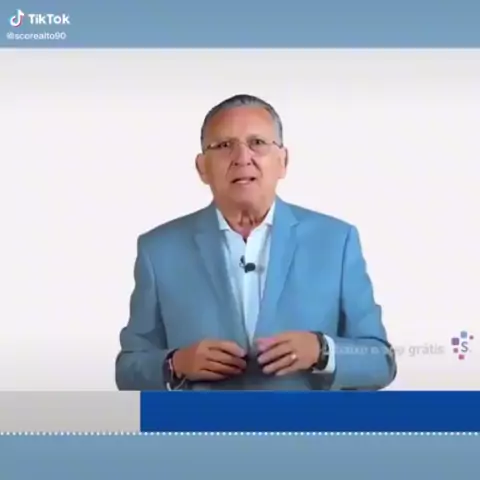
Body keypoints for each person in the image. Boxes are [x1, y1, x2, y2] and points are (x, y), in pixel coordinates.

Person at [115, 94, 397, 391]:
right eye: (224, 145)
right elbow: (128, 370)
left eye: (257, 143)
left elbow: (380, 360)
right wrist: (175, 364)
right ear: (202, 167)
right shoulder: (159, 250)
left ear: (283, 161)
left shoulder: (336, 241)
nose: (242, 157)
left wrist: (322, 351)